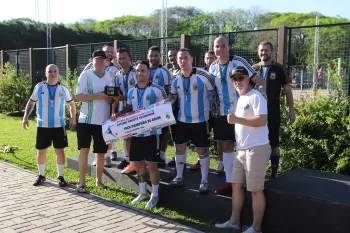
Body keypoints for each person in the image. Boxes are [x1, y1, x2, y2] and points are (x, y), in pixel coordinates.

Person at [215, 66, 271, 233]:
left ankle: (256, 228)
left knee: (255, 190)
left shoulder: (256, 97)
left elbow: (261, 121)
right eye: (234, 79)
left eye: (240, 78)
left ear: (249, 79)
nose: (237, 81)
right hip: (241, 151)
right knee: (236, 185)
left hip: (256, 149)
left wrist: (237, 119)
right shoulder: (241, 99)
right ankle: (234, 221)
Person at [208, 36, 266, 195]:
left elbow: (258, 80)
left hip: (243, 112)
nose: (219, 49)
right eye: (216, 46)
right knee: (227, 146)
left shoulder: (239, 61)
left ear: (228, 47)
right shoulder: (212, 67)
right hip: (223, 114)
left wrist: (262, 92)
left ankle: (248, 180)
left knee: (244, 147)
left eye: (222, 46)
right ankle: (229, 181)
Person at [113, 60, 167, 208]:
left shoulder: (157, 90)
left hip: (152, 134)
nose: (140, 73)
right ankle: (143, 192)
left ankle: (155, 195)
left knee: (152, 165)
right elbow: (130, 106)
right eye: (137, 71)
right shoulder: (131, 91)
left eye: (143, 70)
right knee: (138, 163)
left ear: (148, 73)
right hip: (136, 134)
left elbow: (165, 108)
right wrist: (118, 114)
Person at [166, 48, 216, 194]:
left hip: (201, 120)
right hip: (182, 120)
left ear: (192, 59)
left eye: (185, 58)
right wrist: (165, 102)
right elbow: (173, 97)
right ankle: (179, 177)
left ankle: (204, 181)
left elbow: (213, 92)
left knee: (202, 150)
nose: (182, 61)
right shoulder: (174, 78)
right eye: (180, 58)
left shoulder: (203, 75)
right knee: (179, 147)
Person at [22, 64, 76, 186]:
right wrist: (25, 118)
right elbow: (31, 103)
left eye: (55, 71)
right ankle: (41, 175)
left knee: (60, 151)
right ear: (46, 73)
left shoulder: (63, 88)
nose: (52, 73)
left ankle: (60, 177)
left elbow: (72, 104)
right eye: (50, 71)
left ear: (58, 73)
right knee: (41, 151)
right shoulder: (39, 87)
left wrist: (73, 119)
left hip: (59, 126)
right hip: (42, 126)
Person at [253, 41, 296, 178]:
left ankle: (274, 173)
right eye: (261, 50)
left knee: (274, 143)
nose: (263, 53)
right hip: (255, 113)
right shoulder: (253, 69)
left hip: (272, 112)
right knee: (256, 143)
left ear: (271, 51)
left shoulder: (279, 69)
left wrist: (291, 110)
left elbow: (287, 90)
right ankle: (257, 171)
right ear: (258, 52)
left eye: (266, 50)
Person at [75, 50, 113, 193]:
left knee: (101, 153)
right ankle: (82, 182)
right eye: (96, 59)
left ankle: (99, 181)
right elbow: (78, 97)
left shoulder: (108, 76)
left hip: (102, 121)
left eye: (102, 59)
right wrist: (96, 96)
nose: (99, 62)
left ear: (106, 61)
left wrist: (110, 99)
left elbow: (111, 97)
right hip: (86, 120)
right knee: (84, 150)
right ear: (92, 61)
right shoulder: (86, 75)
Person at [83, 43, 119, 166]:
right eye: (106, 52)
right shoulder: (89, 67)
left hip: (109, 104)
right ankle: (97, 156)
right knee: (96, 132)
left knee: (109, 130)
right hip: (93, 106)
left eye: (110, 52)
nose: (109, 54)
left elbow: (116, 89)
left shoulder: (115, 69)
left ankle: (108, 155)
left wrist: (111, 98)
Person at [111, 48, 137, 174]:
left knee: (137, 135)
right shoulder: (117, 75)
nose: (121, 60)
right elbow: (117, 94)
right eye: (119, 58)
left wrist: (123, 97)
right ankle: (127, 159)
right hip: (123, 109)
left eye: (124, 57)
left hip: (137, 109)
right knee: (125, 135)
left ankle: (137, 160)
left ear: (130, 59)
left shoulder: (137, 72)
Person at [190, 50, 217, 171]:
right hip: (203, 111)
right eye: (207, 58)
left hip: (216, 110)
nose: (209, 60)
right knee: (202, 138)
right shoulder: (199, 73)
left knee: (219, 138)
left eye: (211, 58)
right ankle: (200, 160)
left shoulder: (217, 72)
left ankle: (221, 164)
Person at [147, 46, 172, 167]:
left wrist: (167, 103)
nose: (153, 58)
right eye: (151, 55)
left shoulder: (165, 72)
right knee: (149, 134)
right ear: (148, 57)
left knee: (163, 134)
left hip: (162, 108)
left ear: (160, 57)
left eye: (156, 55)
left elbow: (169, 90)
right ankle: (151, 155)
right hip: (145, 109)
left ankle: (162, 156)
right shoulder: (142, 69)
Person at [166, 49, 181, 167]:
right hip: (171, 107)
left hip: (183, 108)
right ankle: (177, 157)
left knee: (182, 136)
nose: (172, 58)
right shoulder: (169, 72)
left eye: (174, 55)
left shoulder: (184, 70)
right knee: (174, 134)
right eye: (170, 56)